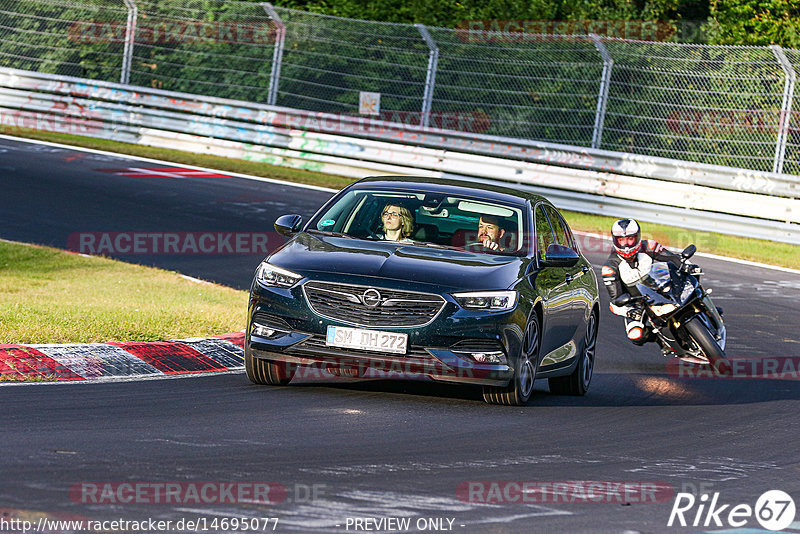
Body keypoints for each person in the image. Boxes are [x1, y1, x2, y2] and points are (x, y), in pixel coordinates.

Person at [602, 218, 701, 355]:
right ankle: (662, 341)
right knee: (635, 335)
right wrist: (629, 310)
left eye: (630, 239)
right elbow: (616, 299)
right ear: (615, 240)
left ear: (637, 237)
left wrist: (685, 265)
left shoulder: (649, 246)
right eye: (622, 240)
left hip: (662, 287)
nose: (626, 244)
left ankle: (703, 306)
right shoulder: (610, 268)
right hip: (638, 302)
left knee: (693, 276)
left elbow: (672, 258)